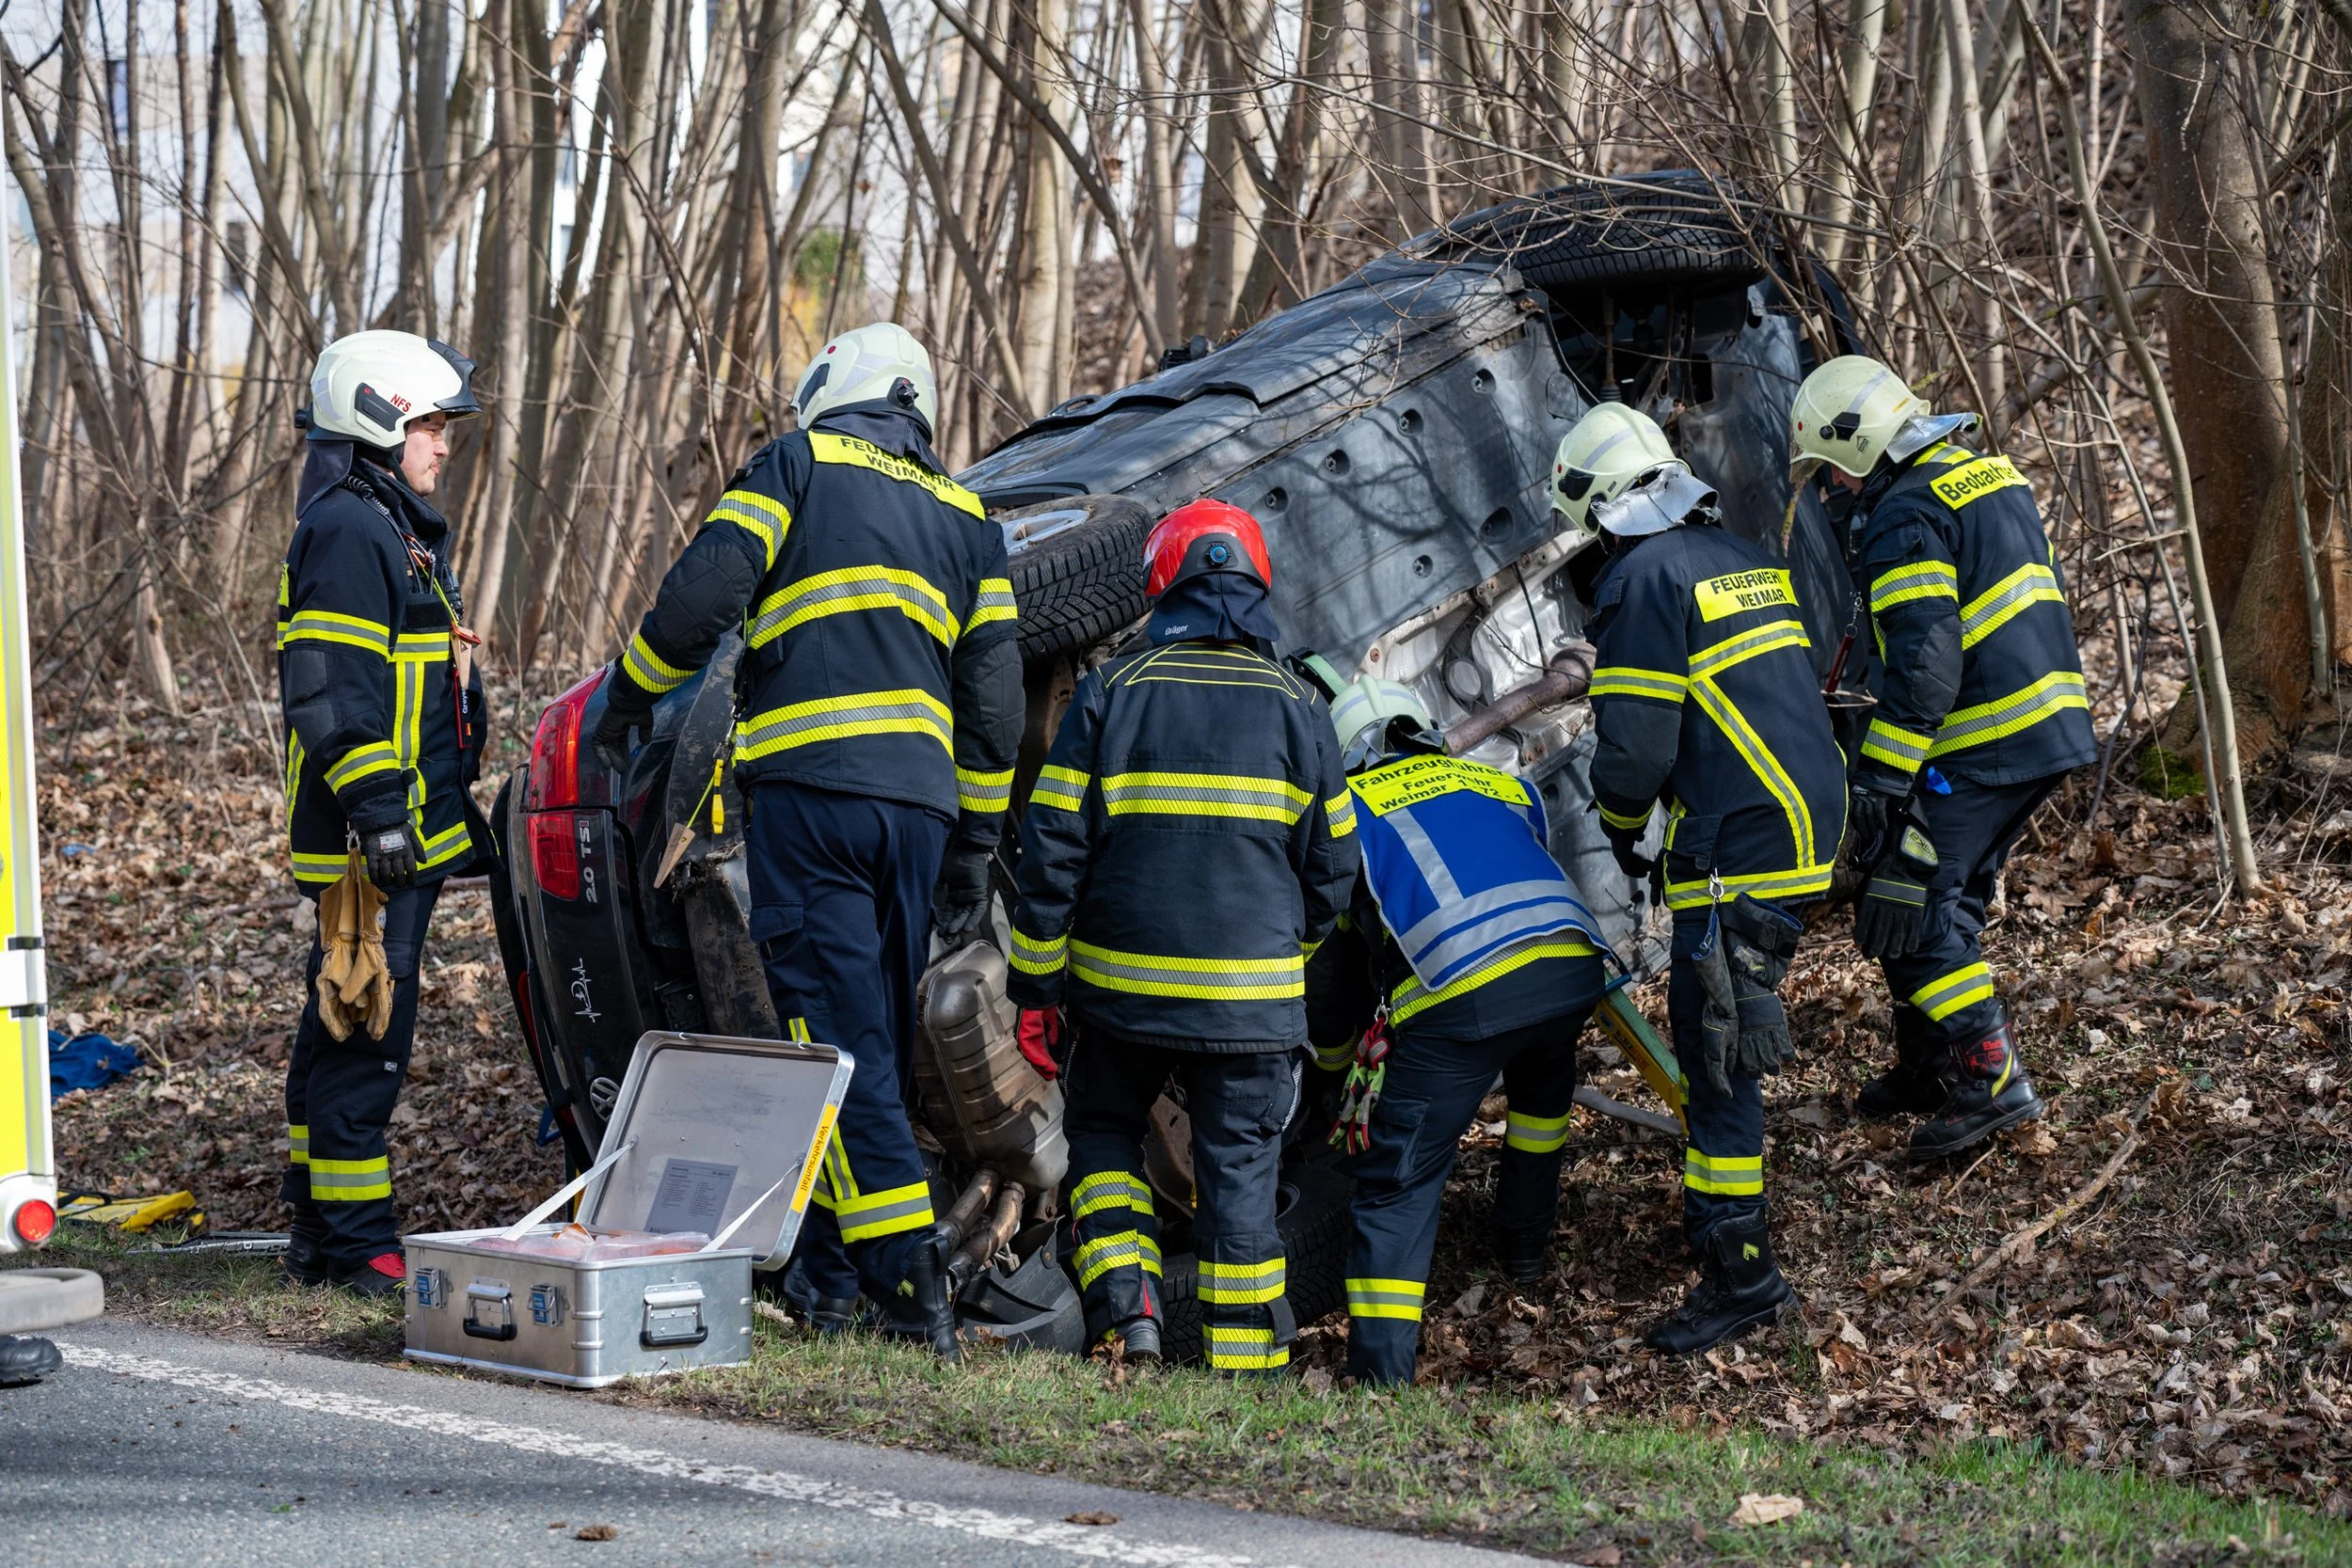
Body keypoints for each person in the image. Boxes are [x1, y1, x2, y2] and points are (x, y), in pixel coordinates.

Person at [590, 323, 1023, 1359]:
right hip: (916, 814)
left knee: (835, 1047)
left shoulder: (800, 461)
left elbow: (701, 596)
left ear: (836, 394)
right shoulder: (969, 517)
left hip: (813, 799)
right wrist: (973, 845)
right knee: (867, 1029)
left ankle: (910, 1293)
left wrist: (626, 696)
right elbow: (997, 704)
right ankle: (829, 1279)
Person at [1005, 500, 1358, 1371]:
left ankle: (1132, 1322)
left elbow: (1052, 851)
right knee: (1238, 1170)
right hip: (1249, 1005)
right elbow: (1334, 869)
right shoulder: (1300, 706)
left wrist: (1036, 988)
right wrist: (1281, 957)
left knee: (1104, 1132)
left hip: (1119, 997)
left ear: (1161, 583)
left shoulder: (1111, 693)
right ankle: (1244, 1376)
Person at [1566, 402, 1845, 1354]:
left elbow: (1634, 752)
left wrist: (1619, 832)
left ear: (1603, 509)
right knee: (1725, 1039)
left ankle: (1742, 1274)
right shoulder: (1735, 555)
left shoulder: (1642, 577)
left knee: (1715, 1055)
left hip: (1740, 848)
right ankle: (1737, 1256)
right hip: (1802, 822)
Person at [1789, 356, 2092, 1160]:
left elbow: (1925, 661)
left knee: (1910, 903)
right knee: (1942, 894)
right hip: (2046, 722)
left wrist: (1882, 784)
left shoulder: (1902, 512)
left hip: (1985, 736)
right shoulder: (1981, 470)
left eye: (1831, 470)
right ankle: (1931, 1064)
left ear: (1860, 449)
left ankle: (1991, 1082)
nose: (1831, 489)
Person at [1307, 675, 1608, 1386]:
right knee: (1539, 1107)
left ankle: (1382, 1375)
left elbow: (1338, 972)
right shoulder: (1498, 782)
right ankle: (1525, 1250)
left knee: (1397, 1181)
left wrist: (1333, 1068)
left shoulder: (1348, 813)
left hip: (1464, 996)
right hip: (1571, 968)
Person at [278, 329, 487, 1295]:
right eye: (432, 425)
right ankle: (361, 1243)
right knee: (368, 1032)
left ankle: (317, 1230)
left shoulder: (389, 527)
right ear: (381, 418)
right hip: (372, 847)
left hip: (397, 836)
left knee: (338, 1024)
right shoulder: (350, 531)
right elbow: (331, 690)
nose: (444, 445)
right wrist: (383, 816)